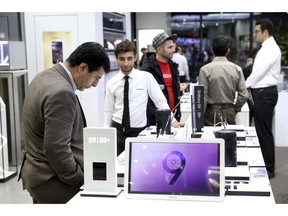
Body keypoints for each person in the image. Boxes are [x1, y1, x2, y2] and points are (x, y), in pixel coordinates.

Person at [19, 42, 111, 203]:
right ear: (83, 67)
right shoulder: (62, 92)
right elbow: (56, 147)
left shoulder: (44, 76)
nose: (95, 84)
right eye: (96, 77)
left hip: (37, 173)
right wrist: (77, 178)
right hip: (52, 178)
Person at [104, 39, 181, 156]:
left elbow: (160, 102)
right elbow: (108, 111)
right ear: (116, 58)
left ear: (135, 58)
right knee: (117, 168)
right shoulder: (112, 83)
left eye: (129, 58)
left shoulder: (146, 77)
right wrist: (106, 135)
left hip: (139, 132)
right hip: (117, 132)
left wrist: (172, 120)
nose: (126, 63)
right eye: (122, 59)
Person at [245, 18, 281, 179]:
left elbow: (259, 72)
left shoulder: (269, 49)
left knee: (264, 132)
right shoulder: (267, 48)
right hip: (263, 93)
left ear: (265, 32)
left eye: (257, 31)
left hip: (265, 93)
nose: (255, 34)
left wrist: (245, 85)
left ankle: (269, 169)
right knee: (262, 131)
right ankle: (267, 166)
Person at [198, 35, 248, 126]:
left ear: (212, 50)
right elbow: (244, 95)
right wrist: (235, 108)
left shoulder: (205, 70)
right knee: (229, 139)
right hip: (229, 111)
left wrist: (199, 116)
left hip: (210, 112)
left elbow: (202, 97)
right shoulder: (237, 69)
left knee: (210, 139)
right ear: (228, 51)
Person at [141, 32, 186, 125]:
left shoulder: (173, 66)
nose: (174, 50)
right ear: (159, 49)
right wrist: (162, 116)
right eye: (170, 47)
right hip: (156, 121)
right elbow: (146, 100)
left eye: (173, 47)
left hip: (174, 118)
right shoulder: (147, 69)